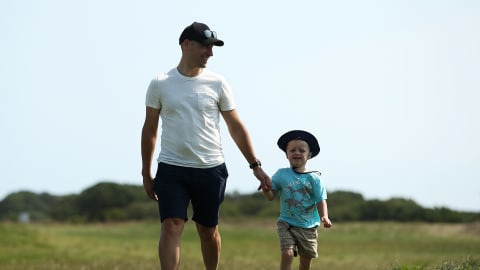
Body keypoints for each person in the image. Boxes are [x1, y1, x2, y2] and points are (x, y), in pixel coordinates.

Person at [141, 21, 272, 270]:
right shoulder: (160, 83)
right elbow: (150, 130)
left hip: (211, 168)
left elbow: (235, 126)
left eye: (212, 48)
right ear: (187, 44)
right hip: (172, 167)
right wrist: (146, 171)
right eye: (205, 47)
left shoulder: (218, 83)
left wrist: (255, 165)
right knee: (172, 224)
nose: (210, 53)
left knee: (207, 230)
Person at [262, 130, 332, 270]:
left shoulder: (315, 178)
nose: (297, 153)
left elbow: (321, 200)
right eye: (292, 150)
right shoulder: (281, 174)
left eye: (302, 150)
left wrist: (324, 216)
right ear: (287, 154)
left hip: (308, 226)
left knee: (305, 260)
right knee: (287, 254)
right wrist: (265, 188)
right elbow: (270, 197)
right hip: (286, 223)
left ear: (309, 155)